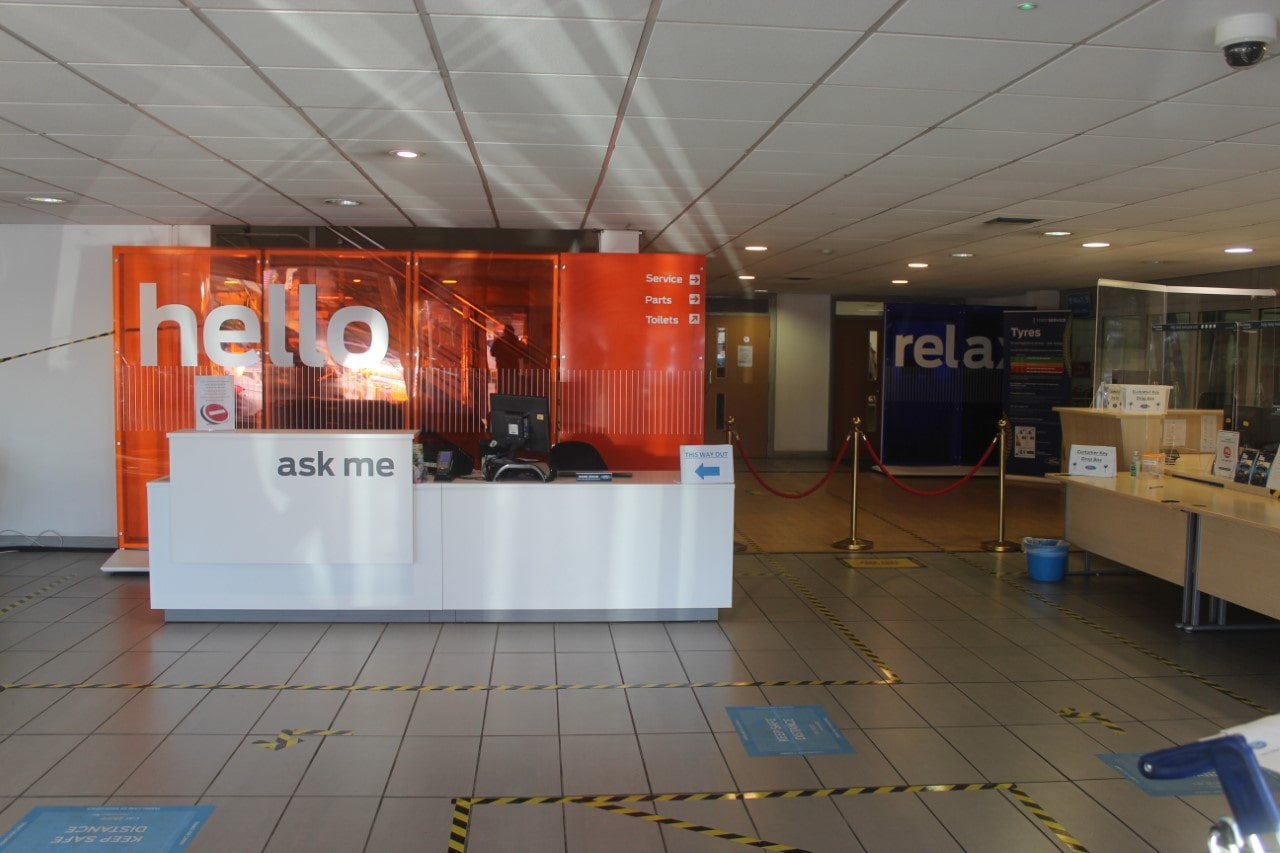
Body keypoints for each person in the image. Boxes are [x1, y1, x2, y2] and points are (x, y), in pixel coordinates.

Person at [490, 324, 526, 392]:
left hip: (502, 368)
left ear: (505, 332)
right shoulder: (515, 341)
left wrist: (501, 353)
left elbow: (492, 353)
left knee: (503, 388)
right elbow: (522, 354)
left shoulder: (499, 341)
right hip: (512, 368)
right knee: (512, 388)